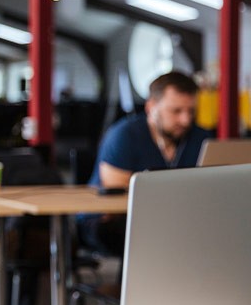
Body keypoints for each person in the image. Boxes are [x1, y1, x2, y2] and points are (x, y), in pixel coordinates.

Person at [80, 70, 209, 254]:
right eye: (176, 111)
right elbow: (118, 199)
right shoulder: (124, 135)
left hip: (174, 217)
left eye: (191, 111)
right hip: (109, 220)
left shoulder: (200, 137)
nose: (185, 120)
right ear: (151, 107)